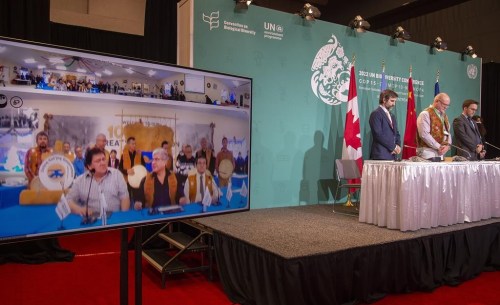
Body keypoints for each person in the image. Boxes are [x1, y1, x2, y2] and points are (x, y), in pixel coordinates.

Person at [67, 147, 130, 215]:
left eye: (103, 159)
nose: (102, 163)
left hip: (114, 218)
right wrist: (79, 209)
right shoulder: (80, 181)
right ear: (89, 166)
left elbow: (124, 197)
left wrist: (123, 216)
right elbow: (68, 200)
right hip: (92, 220)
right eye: (98, 161)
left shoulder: (117, 174)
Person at [416, 93, 452, 160]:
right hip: (428, 152)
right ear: (437, 101)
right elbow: (424, 134)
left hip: (441, 152)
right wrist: (438, 146)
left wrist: (447, 146)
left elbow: (448, 133)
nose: (446, 107)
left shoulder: (444, 116)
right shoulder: (425, 114)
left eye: (448, 105)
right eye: (444, 104)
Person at [368, 89, 401, 160]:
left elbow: (396, 133)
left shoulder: (392, 116)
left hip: (392, 155)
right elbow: (378, 134)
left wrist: (398, 146)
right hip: (380, 155)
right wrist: (393, 147)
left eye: (395, 101)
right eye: (392, 101)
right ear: (384, 100)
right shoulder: (376, 114)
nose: (394, 104)